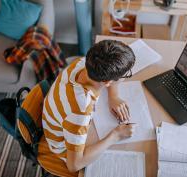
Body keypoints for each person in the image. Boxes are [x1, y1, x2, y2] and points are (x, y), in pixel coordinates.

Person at [41, 40, 136, 175]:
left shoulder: (83, 63)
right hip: (64, 148)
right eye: (126, 75)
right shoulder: (80, 111)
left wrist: (113, 96)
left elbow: (110, 81)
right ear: (107, 82)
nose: (126, 77)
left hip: (64, 121)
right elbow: (74, 165)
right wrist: (115, 135)